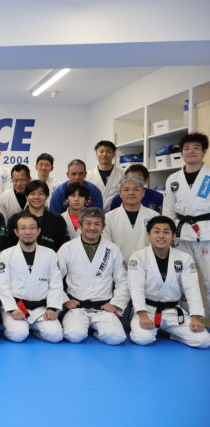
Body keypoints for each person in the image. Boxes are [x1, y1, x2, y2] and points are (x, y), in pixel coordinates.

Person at [128, 216, 210, 348]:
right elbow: (136, 289)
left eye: (166, 232)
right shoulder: (138, 257)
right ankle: (164, 331)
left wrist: (195, 318)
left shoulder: (184, 258)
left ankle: (167, 333)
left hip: (173, 312)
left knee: (204, 340)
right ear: (148, 234)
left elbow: (192, 290)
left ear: (173, 236)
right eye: (156, 231)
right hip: (148, 310)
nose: (161, 236)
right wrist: (142, 315)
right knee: (142, 338)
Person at [58, 207, 129, 345]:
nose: (92, 227)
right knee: (74, 335)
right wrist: (64, 300)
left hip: (103, 308)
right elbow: (55, 278)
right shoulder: (67, 248)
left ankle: (95, 331)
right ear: (80, 225)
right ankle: (86, 328)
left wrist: (115, 304)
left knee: (116, 338)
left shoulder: (112, 250)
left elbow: (123, 281)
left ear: (103, 227)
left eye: (97, 224)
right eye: (88, 223)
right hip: (77, 308)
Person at [0, 213, 65, 343]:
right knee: (18, 335)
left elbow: (56, 284)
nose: (28, 232)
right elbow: (2, 285)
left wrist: (52, 308)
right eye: (23, 228)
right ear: (16, 232)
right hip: (16, 306)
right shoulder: (6, 255)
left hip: (41, 309)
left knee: (56, 336)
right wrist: (12, 309)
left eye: (32, 228)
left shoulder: (50, 254)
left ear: (38, 231)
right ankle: (25, 328)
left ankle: (34, 329)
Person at [162, 133, 210, 309]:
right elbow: (168, 209)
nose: (191, 151)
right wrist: (167, 234)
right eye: (186, 148)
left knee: (209, 280)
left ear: (204, 152)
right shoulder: (173, 179)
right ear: (181, 153)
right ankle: (184, 319)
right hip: (180, 235)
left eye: (196, 148)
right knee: (181, 280)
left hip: (207, 234)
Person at [103, 175, 159, 261]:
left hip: (147, 264)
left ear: (143, 193)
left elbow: (159, 244)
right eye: (126, 189)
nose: (131, 193)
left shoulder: (154, 216)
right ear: (120, 193)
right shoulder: (108, 218)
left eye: (136, 189)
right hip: (118, 265)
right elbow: (106, 246)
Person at [4, 181, 69, 251]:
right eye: (32, 194)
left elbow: (64, 248)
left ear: (47, 196)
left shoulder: (58, 220)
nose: (36, 197)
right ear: (26, 196)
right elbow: (8, 247)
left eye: (41, 194)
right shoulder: (14, 219)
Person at [86, 140, 124, 212]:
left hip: (115, 213)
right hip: (92, 214)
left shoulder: (122, 175)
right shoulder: (88, 175)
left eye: (108, 151)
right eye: (101, 151)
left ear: (113, 154)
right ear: (96, 154)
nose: (104, 154)